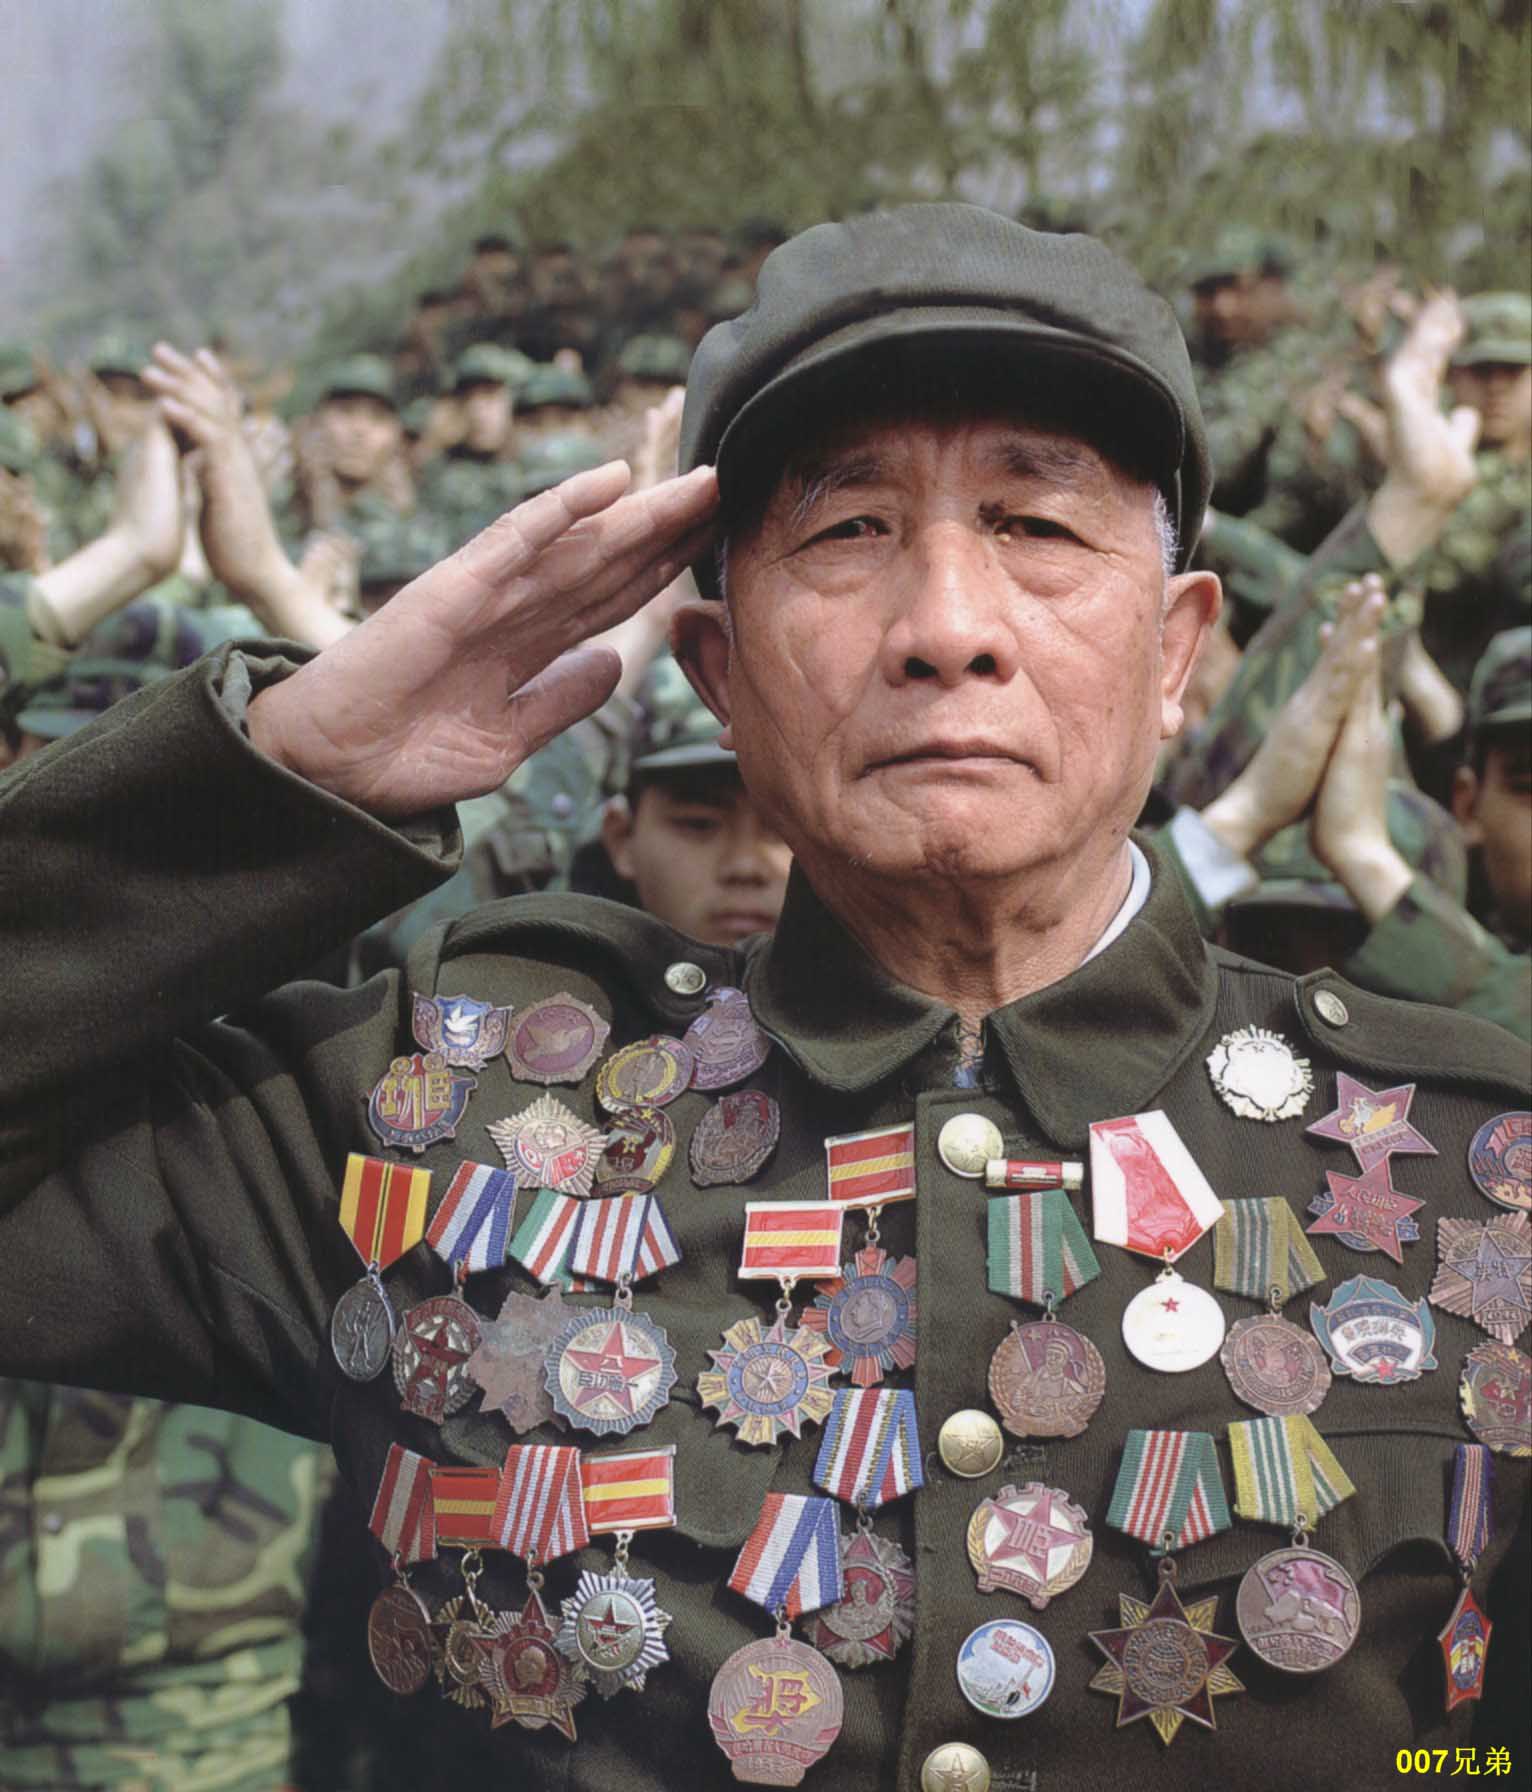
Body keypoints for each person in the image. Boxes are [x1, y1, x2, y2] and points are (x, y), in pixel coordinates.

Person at [0, 207, 1525, 1792]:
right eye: (849, 530)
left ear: (1178, 653)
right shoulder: (441, 1106)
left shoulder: (1472, 1177)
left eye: (1037, 526)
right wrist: (287, 773)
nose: (948, 630)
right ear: (718, 674)